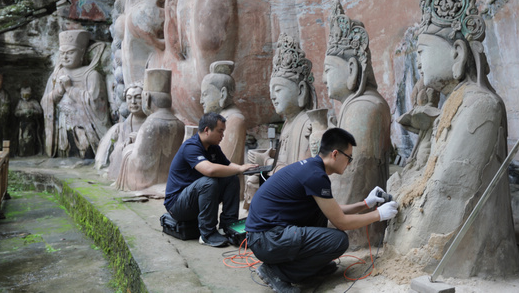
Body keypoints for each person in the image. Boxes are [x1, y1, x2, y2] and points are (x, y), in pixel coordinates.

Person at [385, 0, 519, 277]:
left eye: (422, 51)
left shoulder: (480, 107)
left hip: (464, 255)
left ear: (457, 53)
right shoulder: (452, 105)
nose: (418, 62)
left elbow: (448, 194)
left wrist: (400, 203)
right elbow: (426, 174)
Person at [246, 128, 398, 293]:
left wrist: (366, 204)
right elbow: (341, 222)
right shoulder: (315, 176)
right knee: (339, 241)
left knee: (319, 213)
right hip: (266, 239)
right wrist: (379, 214)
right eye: (349, 158)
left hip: (267, 235)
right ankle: (276, 273)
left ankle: (309, 267)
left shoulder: (313, 169)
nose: (349, 163)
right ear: (335, 154)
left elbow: (333, 210)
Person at [322, 0, 392, 247]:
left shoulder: (364, 108)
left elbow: (347, 180)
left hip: (355, 234)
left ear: (352, 68)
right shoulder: (357, 105)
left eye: (328, 70)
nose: (323, 79)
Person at [243, 33, 317, 208]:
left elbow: (300, 173)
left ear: (300, 90)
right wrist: (269, 156)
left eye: (278, 90)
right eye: (271, 92)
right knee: (253, 179)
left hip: (295, 195)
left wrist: (266, 162)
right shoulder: (287, 124)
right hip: (281, 185)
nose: (273, 97)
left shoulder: (307, 124)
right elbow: (283, 160)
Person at [164, 112, 258, 247]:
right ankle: (207, 234)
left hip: (196, 199)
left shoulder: (213, 147)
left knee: (231, 178)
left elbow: (228, 165)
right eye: (220, 131)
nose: (223, 135)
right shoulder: (191, 147)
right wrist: (239, 169)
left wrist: (246, 168)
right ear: (207, 130)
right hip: (177, 205)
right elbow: (210, 170)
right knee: (209, 181)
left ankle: (227, 226)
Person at [41, 30, 110, 158]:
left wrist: (70, 89)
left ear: (82, 53)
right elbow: (45, 101)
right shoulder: (56, 75)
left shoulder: (91, 75)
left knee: (85, 152)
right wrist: (58, 92)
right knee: (66, 150)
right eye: (62, 53)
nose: (65, 57)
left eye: (70, 52)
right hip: (62, 124)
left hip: (83, 124)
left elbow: (95, 101)